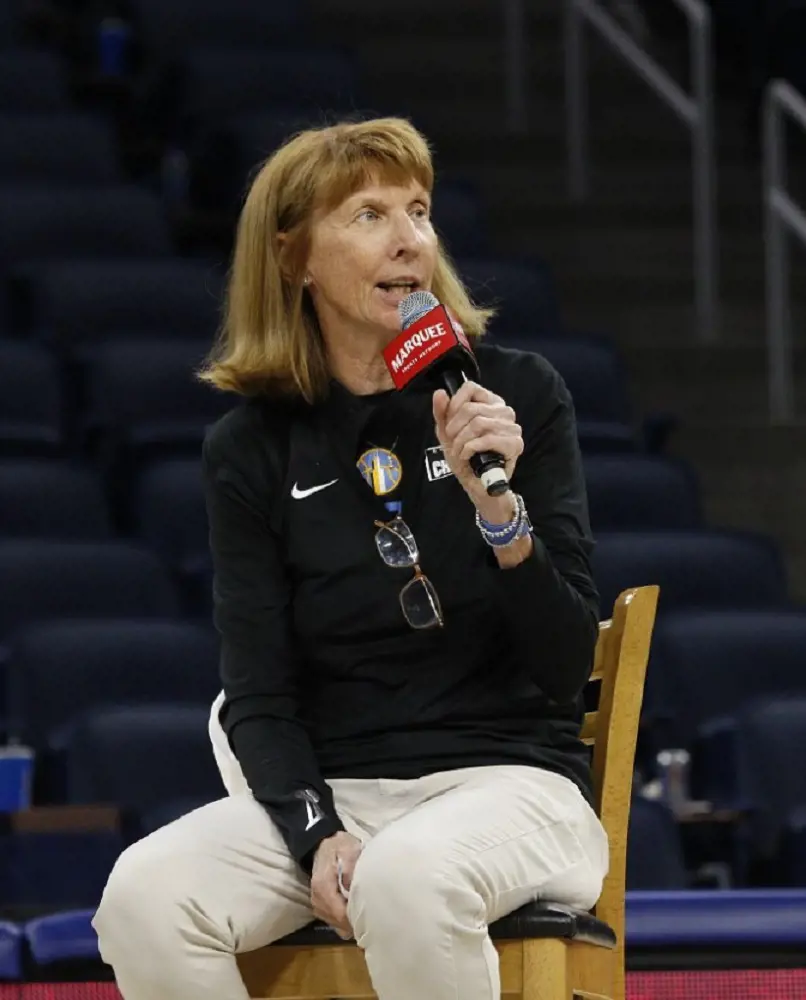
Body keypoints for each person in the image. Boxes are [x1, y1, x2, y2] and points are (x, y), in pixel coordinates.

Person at [92, 116, 609, 1000]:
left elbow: (566, 666)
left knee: (406, 879)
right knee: (144, 898)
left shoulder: (515, 395)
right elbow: (258, 687)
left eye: (419, 210)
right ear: (293, 259)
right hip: (343, 792)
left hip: (514, 787)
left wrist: (500, 517)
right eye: (369, 215)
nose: (410, 238)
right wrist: (313, 830)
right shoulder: (250, 448)